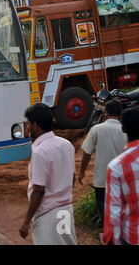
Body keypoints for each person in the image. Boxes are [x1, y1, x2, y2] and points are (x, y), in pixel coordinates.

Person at [19, 103, 77, 244]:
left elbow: (39, 190)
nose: (29, 128)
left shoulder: (40, 152)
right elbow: (72, 177)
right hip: (66, 209)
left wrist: (26, 221)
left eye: (29, 124)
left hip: (48, 215)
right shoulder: (66, 144)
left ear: (36, 125)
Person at [79, 100, 127, 224]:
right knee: (122, 212)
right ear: (121, 114)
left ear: (105, 113)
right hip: (122, 180)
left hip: (102, 180)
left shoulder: (96, 129)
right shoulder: (126, 131)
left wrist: (82, 172)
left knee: (105, 213)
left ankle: (109, 237)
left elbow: (87, 153)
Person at [101, 106, 139, 245]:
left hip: (133, 236)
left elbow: (114, 211)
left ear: (123, 129)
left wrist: (111, 239)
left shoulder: (118, 166)